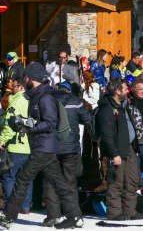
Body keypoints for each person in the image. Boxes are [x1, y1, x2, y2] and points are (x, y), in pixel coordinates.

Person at [0, 62, 83, 229]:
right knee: (60, 183)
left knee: (23, 178)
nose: (23, 80)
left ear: (30, 78)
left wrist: (28, 125)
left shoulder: (45, 97)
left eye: (25, 77)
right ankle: (75, 215)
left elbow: (50, 123)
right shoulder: (37, 96)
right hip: (44, 147)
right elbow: (39, 121)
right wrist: (22, 122)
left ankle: (8, 215)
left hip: (44, 147)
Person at [43, 81, 91, 225]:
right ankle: (74, 215)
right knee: (70, 181)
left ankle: (53, 215)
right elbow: (87, 119)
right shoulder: (75, 101)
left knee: (50, 182)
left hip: (51, 148)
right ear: (69, 91)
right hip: (71, 149)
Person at [96, 77, 141, 221]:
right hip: (116, 151)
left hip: (128, 148)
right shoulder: (107, 108)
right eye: (124, 88)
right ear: (117, 91)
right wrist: (114, 154)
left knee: (132, 180)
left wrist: (135, 146)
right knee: (116, 183)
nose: (128, 90)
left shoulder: (122, 105)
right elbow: (107, 134)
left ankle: (130, 211)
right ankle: (115, 213)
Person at [0, 72, 33, 216]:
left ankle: (10, 205)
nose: (11, 88)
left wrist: (3, 140)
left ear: (19, 87)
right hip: (29, 145)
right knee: (26, 178)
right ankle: (25, 206)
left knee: (9, 176)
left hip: (15, 144)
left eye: (13, 85)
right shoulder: (31, 100)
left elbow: (10, 123)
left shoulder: (16, 102)